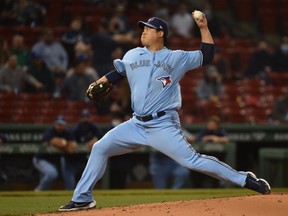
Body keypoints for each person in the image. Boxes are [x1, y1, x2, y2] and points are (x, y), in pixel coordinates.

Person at [59, 12, 271, 212]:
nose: (143, 31)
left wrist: (204, 27)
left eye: (148, 28)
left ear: (161, 33)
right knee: (100, 148)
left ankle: (245, 179)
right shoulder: (132, 54)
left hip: (163, 124)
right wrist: (100, 81)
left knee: (192, 161)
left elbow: (207, 56)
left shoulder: (176, 57)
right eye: (142, 28)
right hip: (135, 124)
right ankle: (83, 198)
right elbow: (118, 73)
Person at [33, 116, 77, 191]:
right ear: (55, 124)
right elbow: (58, 143)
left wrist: (63, 144)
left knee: (47, 180)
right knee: (52, 174)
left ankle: (41, 195)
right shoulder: (50, 131)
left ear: (65, 125)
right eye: (58, 124)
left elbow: (72, 148)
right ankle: (38, 190)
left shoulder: (67, 133)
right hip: (41, 159)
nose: (60, 126)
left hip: (52, 161)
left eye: (62, 124)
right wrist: (65, 144)